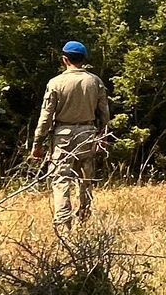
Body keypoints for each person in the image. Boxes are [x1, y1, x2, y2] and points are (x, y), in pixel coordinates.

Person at [31, 40, 111, 236]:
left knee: (61, 180)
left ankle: (63, 227)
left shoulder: (55, 83)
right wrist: (104, 135)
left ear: (64, 59)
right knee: (86, 178)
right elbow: (104, 113)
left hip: (63, 137)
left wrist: (37, 143)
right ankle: (84, 218)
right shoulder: (95, 81)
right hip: (88, 134)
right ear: (83, 59)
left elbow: (46, 116)